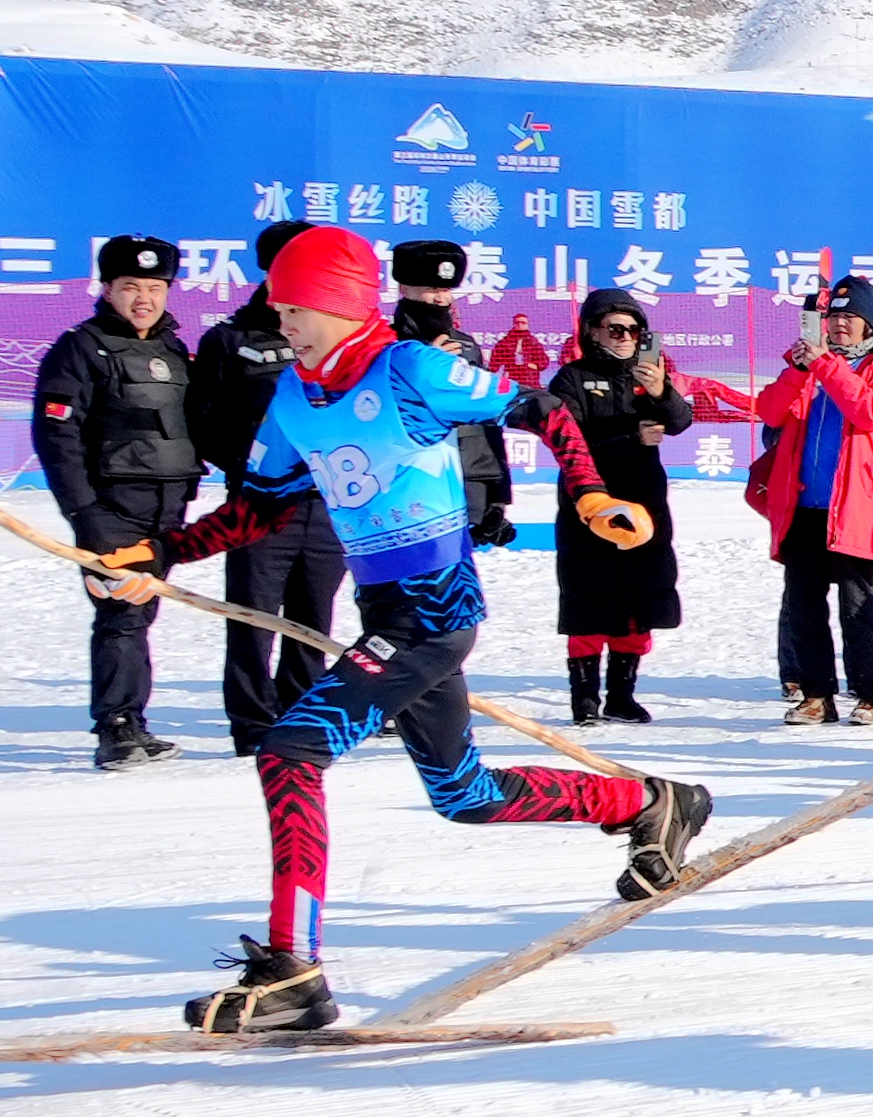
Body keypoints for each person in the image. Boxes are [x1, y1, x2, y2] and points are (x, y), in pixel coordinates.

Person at [92, 227, 707, 1031]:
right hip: (386, 611)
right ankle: (649, 802)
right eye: (278, 305)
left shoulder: (409, 367)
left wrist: (590, 495)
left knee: (290, 751)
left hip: (435, 611)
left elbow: (546, 409)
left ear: (340, 305)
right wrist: (162, 553)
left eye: (295, 306)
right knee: (465, 794)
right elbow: (258, 508)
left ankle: (293, 969)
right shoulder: (293, 395)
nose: (283, 320)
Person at [38, 234, 200, 769]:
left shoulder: (174, 350)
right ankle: (115, 728)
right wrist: (86, 515)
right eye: (131, 287)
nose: (143, 299)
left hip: (167, 509)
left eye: (155, 288)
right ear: (107, 289)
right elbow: (57, 437)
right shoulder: (80, 348)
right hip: (112, 508)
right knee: (121, 615)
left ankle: (134, 721)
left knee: (140, 612)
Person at [189, 225, 349, 754]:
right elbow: (204, 421)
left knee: (314, 619)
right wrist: (259, 470)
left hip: (327, 506)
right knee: (252, 617)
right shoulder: (230, 340)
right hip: (259, 506)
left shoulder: (337, 340)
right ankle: (253, 724)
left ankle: (302, 714)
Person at [752, 277, 873, 725]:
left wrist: (826, 366)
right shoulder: (807, 365)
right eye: (834, 316)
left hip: (855, 507)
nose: (840, 324)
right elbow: (769, 411)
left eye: (850, 317)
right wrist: (801, 369)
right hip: (803, 508)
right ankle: (816, 695)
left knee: (858, 605)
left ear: (868, 324)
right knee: (802, 605)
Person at [545, 286, 693, 723]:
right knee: (589, 601)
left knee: (638, 602)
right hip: (591, 506)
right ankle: (585, 698)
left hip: (645, 505)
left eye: (634, 329)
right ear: (591, 331)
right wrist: (631, 438)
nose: (626, 337)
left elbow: (681, 421)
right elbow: (567, 441)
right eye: (615, 329)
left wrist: (662, 391)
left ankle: (622, 696)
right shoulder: (570, 379)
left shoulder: (649, 373)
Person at [388, 244, 518, 554]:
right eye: (431, 289)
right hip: (407, 482)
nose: (440, 299)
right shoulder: (385, 346)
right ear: (404, 288)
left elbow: (486, 421)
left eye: (446, 290)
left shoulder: (466, 345)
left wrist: (496, 494)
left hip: (468, 480)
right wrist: (424, 369)